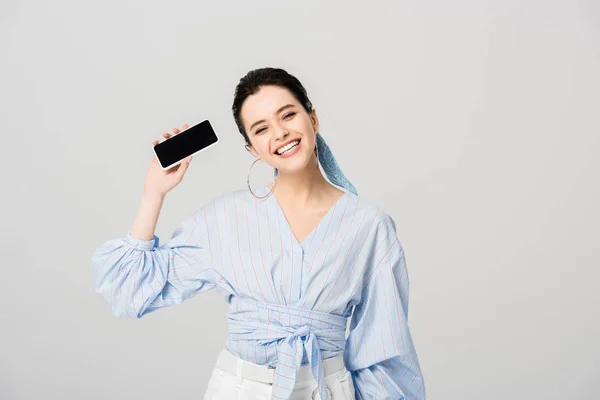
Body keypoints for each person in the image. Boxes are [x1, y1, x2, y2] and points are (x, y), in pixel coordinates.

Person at [91, 67, 426, 400]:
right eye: (261, 128)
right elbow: (128, 290)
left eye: (288, 115)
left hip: (329, 390)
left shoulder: (370, 225)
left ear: (313, 120)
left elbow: (384, 353)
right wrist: (154, 193)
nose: (280, 133)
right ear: (252, 148)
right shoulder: (224, 219)